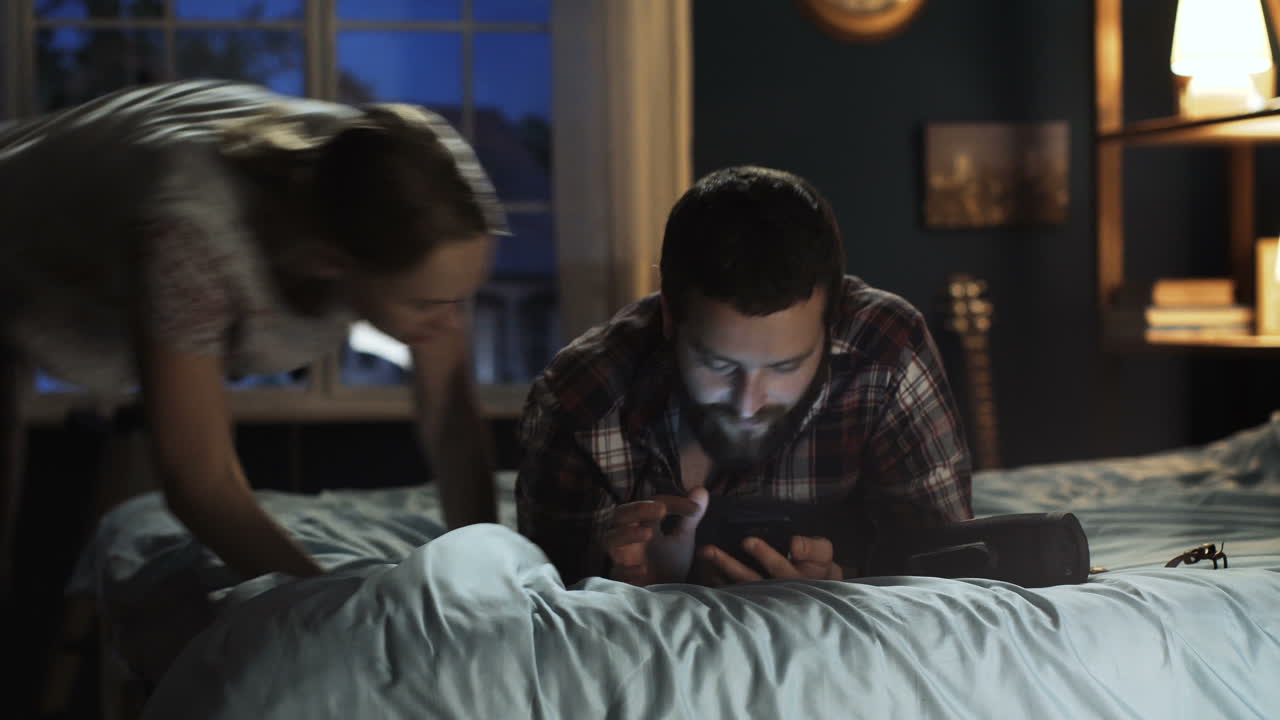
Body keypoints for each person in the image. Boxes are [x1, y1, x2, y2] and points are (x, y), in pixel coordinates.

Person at [0, 80, 506, 590]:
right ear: (333, 261)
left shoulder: (405, 183)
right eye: (425, 303)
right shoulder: (192, 231)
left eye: (460, 297)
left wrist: (486, 571)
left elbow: (450, 417)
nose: (451, 324)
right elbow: (200, 481)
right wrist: (334, 610)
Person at [517, 165, 972, 587]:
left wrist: (840, 589)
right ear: (669, 318)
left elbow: (950, 577)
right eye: (720, 365)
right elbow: (547, 623)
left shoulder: (885, 352)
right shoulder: (581, 397)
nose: (748, 403)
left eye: (785, 366)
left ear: (832, 323)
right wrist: (635, 590)